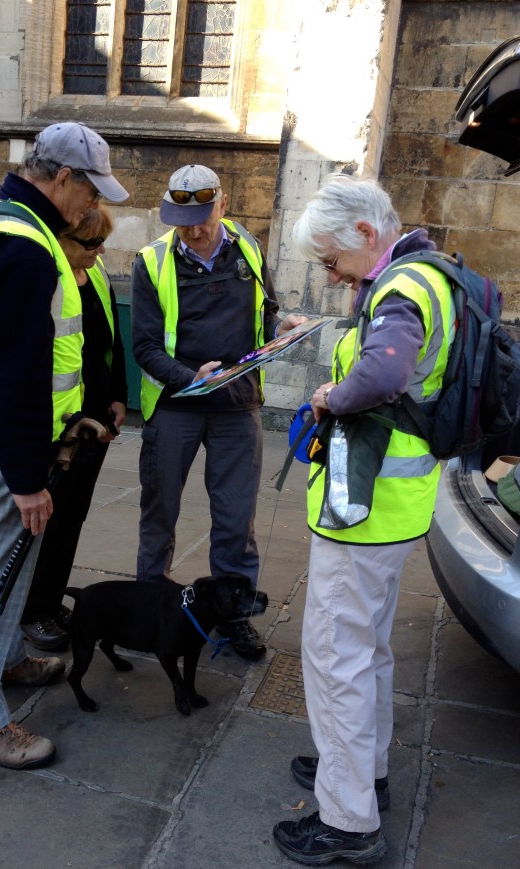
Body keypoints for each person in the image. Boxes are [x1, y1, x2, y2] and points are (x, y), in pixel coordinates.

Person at [272, 174, 454, 865]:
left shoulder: (401, 289)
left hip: (365, 511)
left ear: (368, 236)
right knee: (368, 650)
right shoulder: (423, 276)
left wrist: (329, 393)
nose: (330, 273)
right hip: (392, 507)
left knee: (335, 657)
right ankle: (364, 774)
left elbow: (381, 376)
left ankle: (348, 819)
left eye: (331, 259)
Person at [0, 122, 128, 770]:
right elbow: (14, 369)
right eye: (89, 190)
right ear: (61, 178)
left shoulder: (23, 230)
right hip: (6, 444)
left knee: (11, 569)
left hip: (22, 439)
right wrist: (27, 478)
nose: (90, 208)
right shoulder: (17, 240)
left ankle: (2, 665)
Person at [131, 164, 304, 660]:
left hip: (237, 405)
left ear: (223, 205)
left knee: (235, 518)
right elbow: (144, 346)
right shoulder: (152, 262)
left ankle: (232, 618)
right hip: (177, 407)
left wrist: (283, 325)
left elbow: (265, 315)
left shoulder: (247, 248)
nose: (195, 229)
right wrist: (189, 378)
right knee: (159, 513)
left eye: (203, 216)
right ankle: (149, 607)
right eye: (183, 219)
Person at [20, 205, 128, 651]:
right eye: (90, 243)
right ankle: (30, 611)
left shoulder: (95, 272)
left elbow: (111, 338)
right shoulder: (45, 277)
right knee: (46, 520)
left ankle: (50, 601)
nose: (100, 251)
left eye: (102, 241)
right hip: (57, 424)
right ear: (62, 240)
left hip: (95, 418)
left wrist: (118, 395)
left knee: (73, 517)